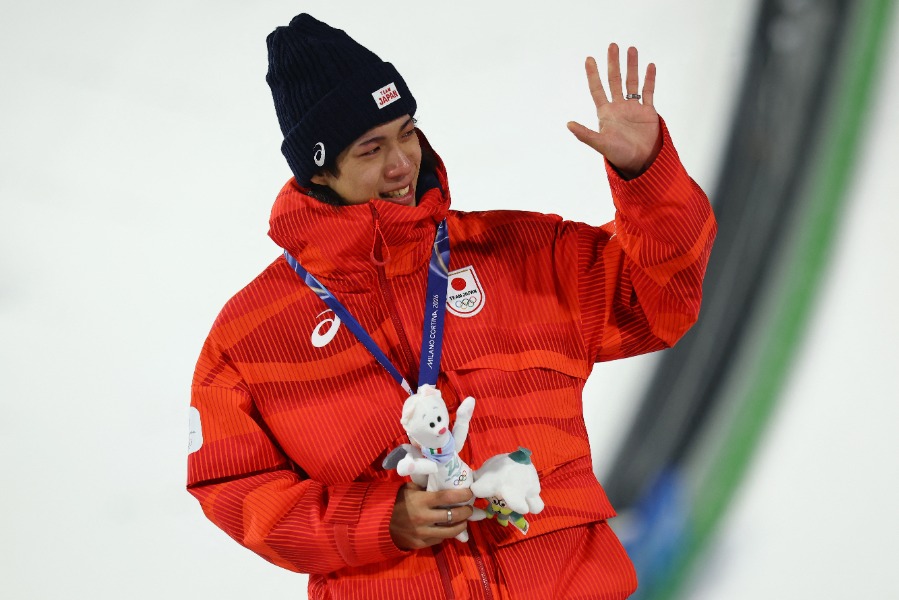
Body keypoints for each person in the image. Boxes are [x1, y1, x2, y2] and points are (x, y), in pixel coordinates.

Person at [187, 13, 716, 600]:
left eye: (407, 132)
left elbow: (660, 301)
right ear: (319, 169)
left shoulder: (517, 254)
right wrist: (380, 522)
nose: (401, 164)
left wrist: (647, 178)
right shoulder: (250, 336)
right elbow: (232, 485)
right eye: (371, 148)